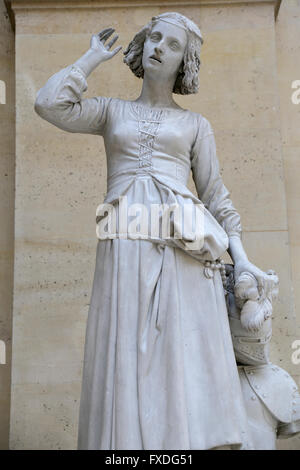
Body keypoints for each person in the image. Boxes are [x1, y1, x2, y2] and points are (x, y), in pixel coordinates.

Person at [34, 11, 273, 450]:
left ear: (185, 62)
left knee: (177, 359)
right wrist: (90, 58)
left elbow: (217, 197)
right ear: (142, 45)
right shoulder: (112, 111)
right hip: (125, 245)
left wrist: (242, 258)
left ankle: (178, 449)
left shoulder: (195, 124)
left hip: (183, 254)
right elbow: (49, 104)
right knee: (123, 349)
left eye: (173, 44)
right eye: (154, 38)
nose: (159, 47)